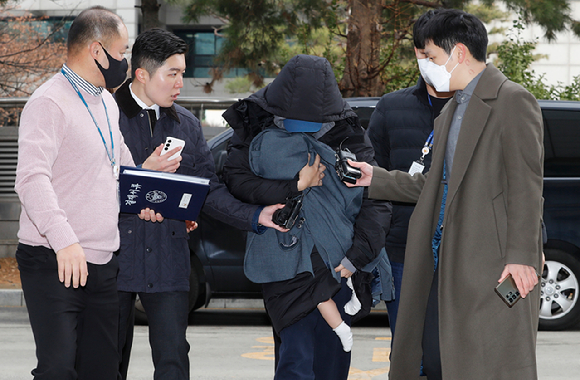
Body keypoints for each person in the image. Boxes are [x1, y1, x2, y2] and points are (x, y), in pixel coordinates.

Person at [348, 9, 543, 380]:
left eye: (431, 57)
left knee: (477, 362)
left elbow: (527, 185)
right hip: (440, 255)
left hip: (488, 261)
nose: (426, 67)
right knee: (435, 360)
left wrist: (522, 255)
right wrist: (375, 179)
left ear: (460, 54)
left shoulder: (512, 101)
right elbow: (436, 184)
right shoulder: (453, 109)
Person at [14, 7, 179, 380]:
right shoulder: (47, 102)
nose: (123, 61)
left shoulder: (105, 101)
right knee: (58, 369)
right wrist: (65, 241)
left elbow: (118, 169)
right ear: (97, 50)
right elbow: (30, 179)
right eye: (121, 52)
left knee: (103, 370)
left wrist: (147, 180)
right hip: (54, 258)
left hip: (103, 262)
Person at [114, 28, 286, 380]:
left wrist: (255, 215)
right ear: (142, 74)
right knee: (107, 359)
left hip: (169, 257)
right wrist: (135, 187)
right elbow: (87, 184)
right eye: (172, 74)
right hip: (115, 257)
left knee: (174, 359)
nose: (180, 83)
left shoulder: (187, 125)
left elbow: (209, 190)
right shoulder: (105, 117)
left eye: (183, 73)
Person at [222, 54, 391, 379]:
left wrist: (356, 256)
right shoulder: (256, 124)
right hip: (284, 264)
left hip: (338, 264)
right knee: (294, 363)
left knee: (332, 364)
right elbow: (236, 180)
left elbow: (375, 201)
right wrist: (293, 186)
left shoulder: (350, 133)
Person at [366, 9, 454, 338]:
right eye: (427, 51)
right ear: (418, 51)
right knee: (407, 350)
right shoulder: (391, 107)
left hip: (460, 252)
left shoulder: (476, 108)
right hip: (403, 252)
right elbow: (371, 179)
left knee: (457, 353)